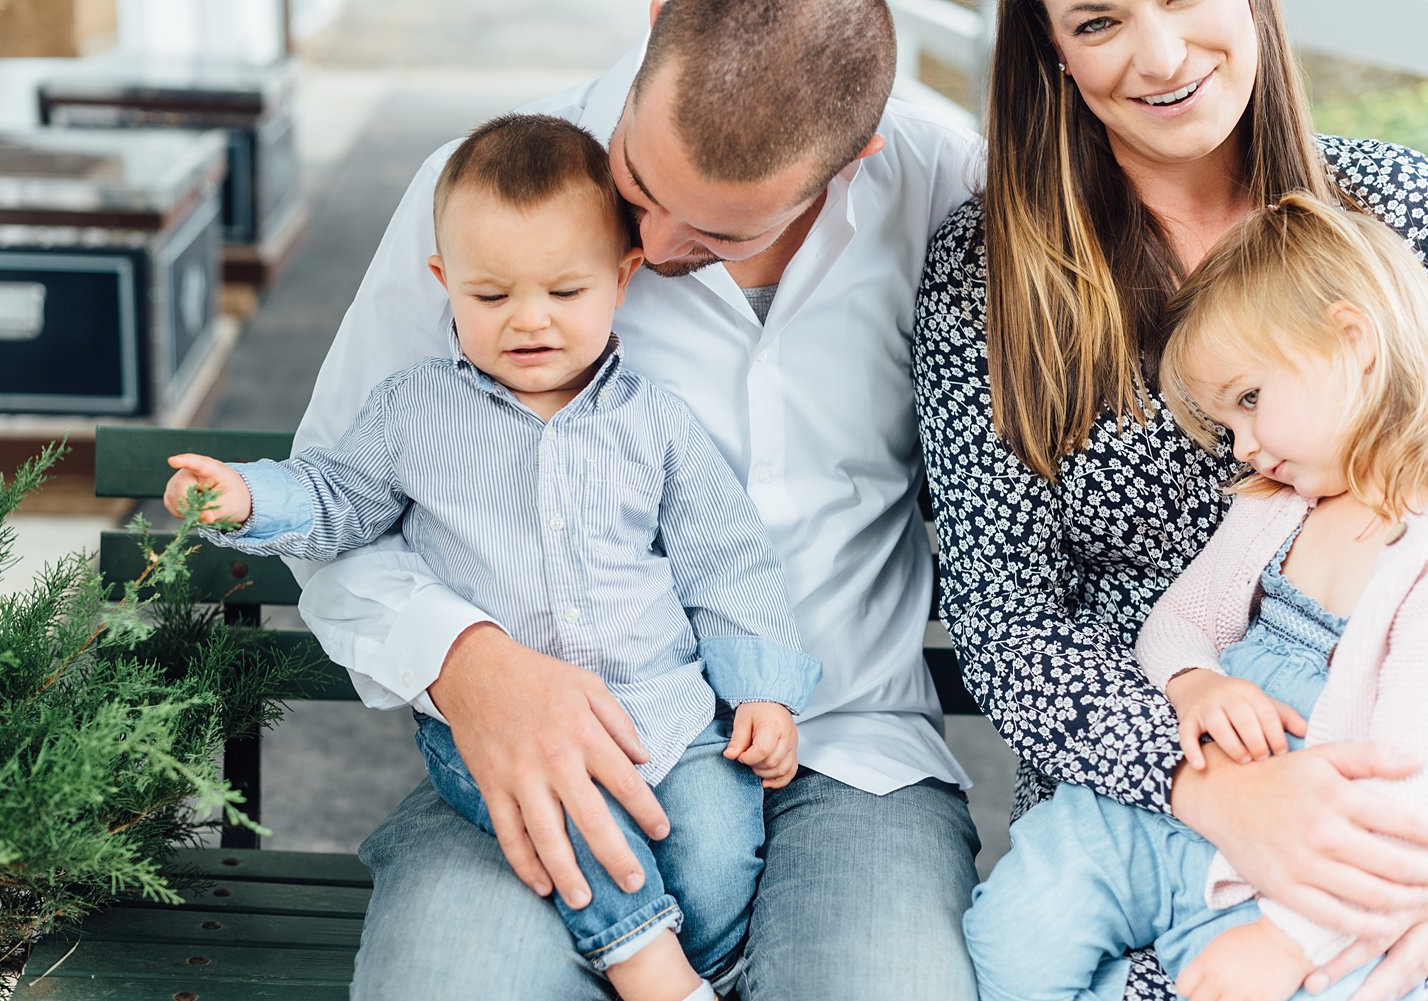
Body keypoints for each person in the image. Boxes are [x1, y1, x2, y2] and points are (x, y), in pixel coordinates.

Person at [288, 1, 983, 997]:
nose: (651, 244)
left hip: (851, 753)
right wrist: (466, 663)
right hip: (557, 750)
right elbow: (334, 494)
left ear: (854, 159)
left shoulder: (946, 184)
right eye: (640, 181)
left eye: (719, 228)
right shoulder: (477, 194)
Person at [163, 113, 821, 1001]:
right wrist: (243, 499)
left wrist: (764, 689)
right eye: (491, 295)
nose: (530, 321)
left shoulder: (656, 424)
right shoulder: (413, 413)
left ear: (623, 277)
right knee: (568, 831)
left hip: (663, 716)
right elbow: (334, 496)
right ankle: (647, 966)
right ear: (444, 285)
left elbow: (726, 561)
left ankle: (702, 966)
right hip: (493, 736)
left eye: (564, 290)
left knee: (712, 846)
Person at [912, 1, 1428, 999]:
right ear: (1051, 51)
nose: (1160, 55)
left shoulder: (1399, 209)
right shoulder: (994, 271)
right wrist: (1208, 781)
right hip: (1129, 788)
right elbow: (1008, 623)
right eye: (1098, 19)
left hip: (1379, 810)